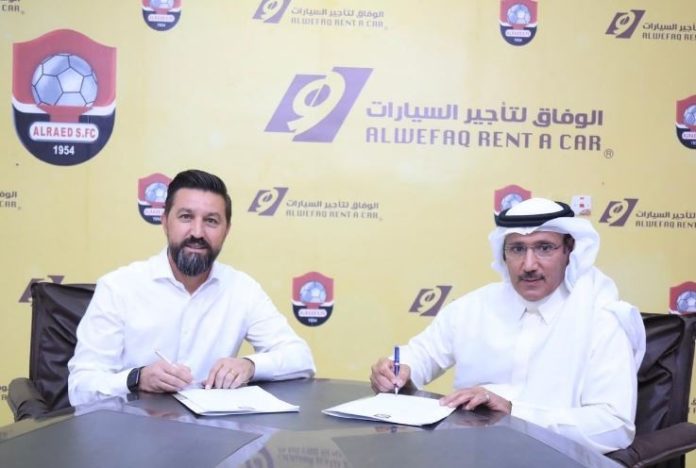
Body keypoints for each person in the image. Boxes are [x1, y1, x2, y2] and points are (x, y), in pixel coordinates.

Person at [370, 197, 646, 454]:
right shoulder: (474, 307)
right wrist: (399, 370)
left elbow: (614, 426)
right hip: (470, 454)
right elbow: (421, 354)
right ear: (503, 254)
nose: (529, 265)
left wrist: (514, 412)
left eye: (544, 248)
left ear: (569, 251)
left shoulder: (601, 319)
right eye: (517, 249)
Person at [68, 169, 315, 405]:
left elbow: (301, 359)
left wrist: (250, 366)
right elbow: (81, 388)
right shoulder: (118, 287)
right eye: (186, 217)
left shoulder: (242, 289)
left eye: (211, 221)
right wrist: (137, 379)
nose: (197, 232)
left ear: (227, 230)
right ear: (165, 222)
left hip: (213, 430)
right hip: (132, 429)